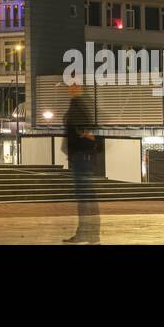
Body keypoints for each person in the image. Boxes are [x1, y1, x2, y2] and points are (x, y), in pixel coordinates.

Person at [63, 82, 100, 244]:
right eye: (70, 85)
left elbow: (87, 129)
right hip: (80, 155)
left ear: (81, 88)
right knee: (86, 196)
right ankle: (89, 234)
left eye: (75, 84)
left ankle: (88, 234)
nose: (71, 87)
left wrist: (82, 135)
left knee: (85, 197)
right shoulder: (78, 103)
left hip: (81, 156)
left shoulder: (82, 104)